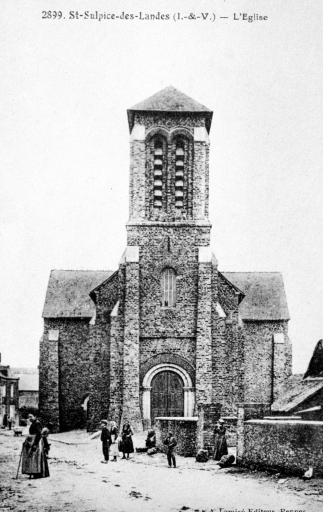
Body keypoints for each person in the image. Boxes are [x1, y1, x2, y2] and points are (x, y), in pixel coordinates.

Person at [21, 413, 49, 478]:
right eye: (28, 417)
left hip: (37, 442)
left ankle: (38, 473)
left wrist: (35, 444)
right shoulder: (33, 423)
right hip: (33, 441)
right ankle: (35, 472)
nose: (29, 418)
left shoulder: (37, 423)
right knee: (33, 458)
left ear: (35, 416)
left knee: (37, 457)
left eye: (31, 416)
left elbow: (39, 434)